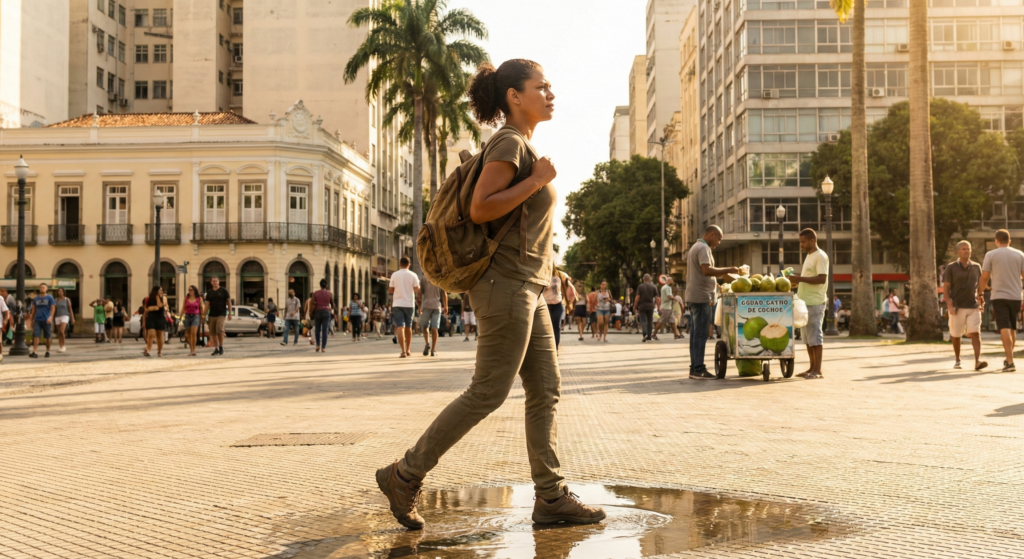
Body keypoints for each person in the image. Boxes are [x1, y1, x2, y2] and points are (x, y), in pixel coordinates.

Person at [375, 59, 605, 531]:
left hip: (531, 285)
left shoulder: (521, 145)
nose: (551, 93)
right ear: (514, 97)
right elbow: (481, 208)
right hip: (504, 284)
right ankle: (405, 474)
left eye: (550, 85)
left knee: (546, 390)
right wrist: (537, 180)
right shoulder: (508, 143)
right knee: (489, 390)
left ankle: (551, 495)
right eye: (541, 86)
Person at [686, 226, 740, 380]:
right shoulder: (703, 248)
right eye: (719, 238)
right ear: (711, 235)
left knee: (696, 334)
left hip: (695, 295)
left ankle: (694, 368)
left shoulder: (694, 247)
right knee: (701, 334)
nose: (719, 242)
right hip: (702, 297)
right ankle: (698, 369)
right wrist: (728, 270)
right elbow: (706, 270)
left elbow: (701, 273)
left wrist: (714, 284)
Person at [978, 229, 1024, 372]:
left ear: (996, 241)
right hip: (1016, 296)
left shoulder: (991, 254)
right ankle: (1008, 359)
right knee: (1012, 327)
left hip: (999, 296)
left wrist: (979, 292)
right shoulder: (1020, 254)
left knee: (1004, 326)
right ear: (1009, 241)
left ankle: (1010, 362)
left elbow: (985, 276)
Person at [788, 229, 830, 380]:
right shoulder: (810, 256)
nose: (801, 245)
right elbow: (809, 277)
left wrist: (799, 279)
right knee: (807, 338)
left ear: (812, 241)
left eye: (803, 242)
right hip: (805, 302)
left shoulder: (820, 256)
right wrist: (796, 282)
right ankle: (811, 367)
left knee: (815, 337)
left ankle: (818, 370)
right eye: (800, 242)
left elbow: (821, 279)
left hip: (815, 302)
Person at [943, 242, 986, 370]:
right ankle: (957, 360)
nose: (967, 251)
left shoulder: (976, 267)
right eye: (964, 249)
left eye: (968, 249)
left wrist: (981, 298)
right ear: (958, 252)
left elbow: (979, 286)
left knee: (975, 333)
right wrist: (949, 304)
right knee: (956, 334)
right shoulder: (951, 268)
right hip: (957, 306)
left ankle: (977, 361)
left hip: (973, 306)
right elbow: (946, 287)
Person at [389, 256, 421, 358]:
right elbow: (417, 290)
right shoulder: (413, 275)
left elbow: (390, 290)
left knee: (400, 327)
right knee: (408, 326)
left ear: (400, 264)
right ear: (409, 265)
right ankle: (408, 349)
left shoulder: (394, 275)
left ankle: (402, 351)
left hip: (397, 303)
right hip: (409, 304)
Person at [204, 277, 231, 356]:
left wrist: (229, 313)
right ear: (211, 282)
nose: (215, 282)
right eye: (213, 281)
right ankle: (216, 348)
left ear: (219, 282)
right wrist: (203, 314)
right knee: (213, 332)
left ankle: (221, 346)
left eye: (216, 281)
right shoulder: (209, 292)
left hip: (221, 314)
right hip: (212, 314)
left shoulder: (224, 290)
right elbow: (207, 304)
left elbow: (229, 302)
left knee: (219, 329)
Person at [419, 281, 447, 356]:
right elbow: (444, 292)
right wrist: (445, 306)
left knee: (425, 326)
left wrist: (419, 306)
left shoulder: (423, 278)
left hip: (426, 306)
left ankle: (427, 344)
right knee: (435, 329)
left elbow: (419, 293)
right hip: (436, 306)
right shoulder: (438, 278)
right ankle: (433, 350)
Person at [142, 286, 168, 357]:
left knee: (159, 335)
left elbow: (161, 306)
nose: (161, 291)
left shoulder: (163, 298)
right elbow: (146, 310)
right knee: (151, 334)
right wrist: (152, 308)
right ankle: (147, 350)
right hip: (151, 317)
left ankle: (159, 351)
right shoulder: (148, 298)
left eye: (162, 290)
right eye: (160, 290)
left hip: (160, 317)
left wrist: (158, 297)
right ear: (155, 291)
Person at [634, 274, 660, 342]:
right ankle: (649, 337)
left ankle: (644, 333)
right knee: (650, 321)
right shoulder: (653, 287)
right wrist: (659, 307)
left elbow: (637, 297)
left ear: (643, 279)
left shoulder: (640, 287)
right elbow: (657, 298)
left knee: (643, 320)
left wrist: (635, 306)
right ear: (650, 280)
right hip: (650, 306)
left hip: (642, 306)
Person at [543, 271, 565, 349]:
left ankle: (555, 349)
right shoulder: (542, 276)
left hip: (557, 305)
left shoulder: (557, 278)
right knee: (546, 328)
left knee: (556, 327)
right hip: (545, 305)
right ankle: (547, 348)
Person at [179, 286, 203, 356]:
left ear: (195, 290)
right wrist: (180, 316)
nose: (190, 291)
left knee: (193, 333)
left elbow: (201, 308)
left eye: (191, 290)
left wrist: (202, 317)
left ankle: (194, 350)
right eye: (189, 290)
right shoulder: (186, 298)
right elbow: (183, 308)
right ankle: (191, 350)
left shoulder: (199, 298)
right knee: (188, 334)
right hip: (187, 316)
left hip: (196, 316)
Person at [312, 279, 333, 352]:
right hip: (326, 311)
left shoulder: (316, 293)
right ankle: (323, 347)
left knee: (317, 329)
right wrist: (332, 308)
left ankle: (318, 345)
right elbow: (332, 304)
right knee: (325, 330)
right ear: (326, 285)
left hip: (318, 312)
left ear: (320, 285)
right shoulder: (329, 293)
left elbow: (312, 302)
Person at [53, 288, 74, 353]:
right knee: (59, 332)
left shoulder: (67, 299)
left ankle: (63, 345)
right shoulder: (55, 300)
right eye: (59, 291)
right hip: (57, 316)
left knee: (62, 331)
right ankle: (60, 346)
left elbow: (70, 309)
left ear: (63, 292)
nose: (60, 292)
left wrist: (72, 318)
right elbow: (54, 309)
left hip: (65, 316)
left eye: (61, 291)